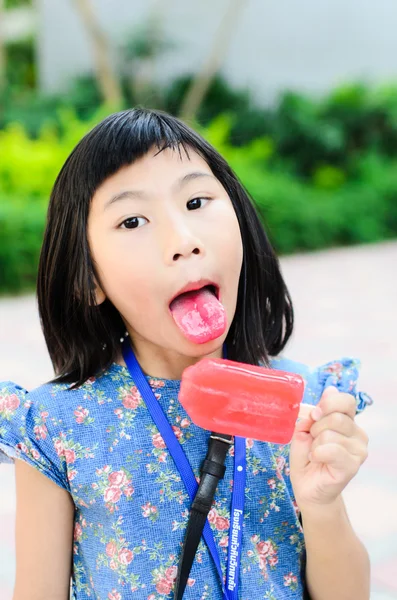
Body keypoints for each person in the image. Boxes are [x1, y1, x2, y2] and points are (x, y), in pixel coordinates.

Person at [0, 108, 372, 600]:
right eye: (132, 220)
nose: (183, 241)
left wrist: (322, 505)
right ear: (87, 279)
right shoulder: (58, 426)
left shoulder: (306, 409)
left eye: (197, 201)